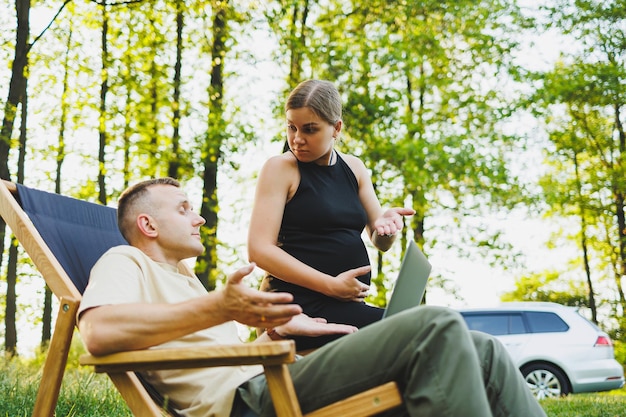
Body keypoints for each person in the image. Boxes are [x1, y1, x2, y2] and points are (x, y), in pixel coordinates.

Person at [78, 177, 547, 417]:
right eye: (184, 209)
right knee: (435, 325)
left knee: (480, 345)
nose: (198, 218)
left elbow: (208, 358)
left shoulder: (183, 280)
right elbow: (99, 334)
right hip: (247, 404)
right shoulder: (125, 262)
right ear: (148, 226)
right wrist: (219, 306)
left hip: (270, 380)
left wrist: (273, 332)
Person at [248, 79, 415, 350]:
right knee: (414, 329)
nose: (297, 139)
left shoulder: (355, 168)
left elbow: (380, 240)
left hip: (344, 304)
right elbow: (258, 250)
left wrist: (389, 226)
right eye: (291, 127)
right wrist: (330, 286)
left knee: (423, 326)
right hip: (296, 308)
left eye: (310, 129)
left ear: (336, 128)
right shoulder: (280, 168)